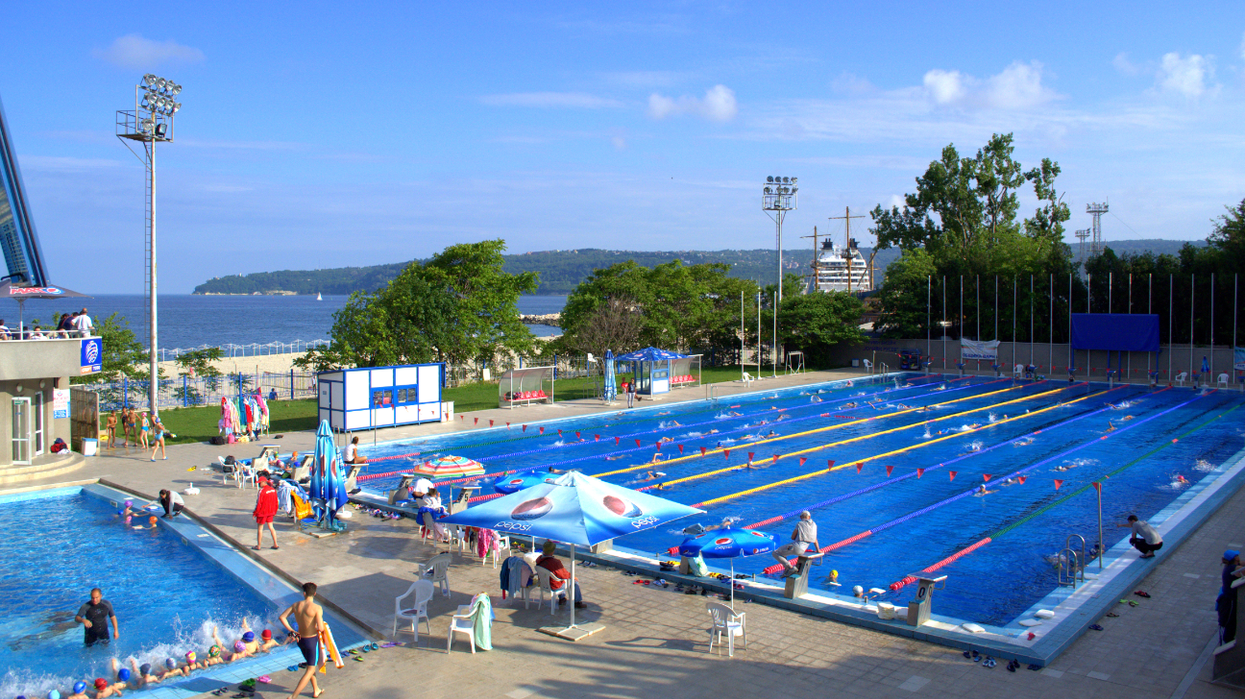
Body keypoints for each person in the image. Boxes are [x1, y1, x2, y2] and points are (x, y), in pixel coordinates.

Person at [280, 582, 326, 699]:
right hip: (311, 641)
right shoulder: (317, 608)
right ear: (315, 593)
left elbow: (282, 617)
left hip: (300, 640)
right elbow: (320, 628)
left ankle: (316, 690)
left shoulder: (296, 605)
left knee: (311, 665)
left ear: (304, 593)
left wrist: (291, 630)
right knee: (310, 669)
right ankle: (293, 696)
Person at [535, 540, 586, 608]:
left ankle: (562, 598)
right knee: (574, 582)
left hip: (543, 583)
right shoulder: (555, 562)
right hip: (553, 586)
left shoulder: (539, 559)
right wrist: (573, 577)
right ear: (552, 551)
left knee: (558, 578)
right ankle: (577, 602)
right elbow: (564, 575)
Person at [772, 511, 821, 577]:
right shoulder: (814, 525)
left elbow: (792, 537)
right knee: (783, 553)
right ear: (809, 517)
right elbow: (815, 539)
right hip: (802, 550)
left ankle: (790, 568)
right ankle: (787, 570)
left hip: (796, 547)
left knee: (776, 553)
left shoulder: (799, 524)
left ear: (800, 517)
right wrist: (818, 550)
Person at [1218, 550, 1244, 644]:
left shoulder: (1230, 566)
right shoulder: (1233, 569)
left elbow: (1242, 563)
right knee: (1231, 622)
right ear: (1235, 558)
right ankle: (1228, 641)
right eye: (1237, 555)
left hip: (1228, 598)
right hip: (1230, 600)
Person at [254, 476, 279, 550]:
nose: (259, 485)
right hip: (270, 512)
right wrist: (275, 511)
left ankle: (258, 545)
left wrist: (255, 512)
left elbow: (259, 503)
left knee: (260, 528)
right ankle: (275, 544)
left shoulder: (262, 491)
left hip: (262, 512)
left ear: (263, 482)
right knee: (271, 527)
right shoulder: (273, 490)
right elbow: (276, 502)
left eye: (259, 483)